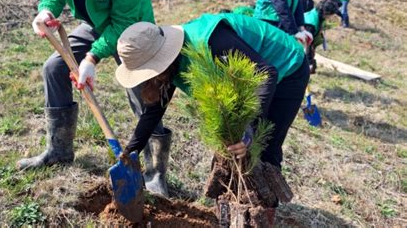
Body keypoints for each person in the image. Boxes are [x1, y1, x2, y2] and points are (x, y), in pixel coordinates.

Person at [17, 0, 170, 197]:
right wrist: (46, 10)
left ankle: (155, 174)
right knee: (54, 68)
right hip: (94, 22)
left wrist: (91, 58)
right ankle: (58, 150)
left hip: (132, 28)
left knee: (142, 89)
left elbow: (123, 22)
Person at [114, 13, 310, 215]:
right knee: (228, 152)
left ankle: (264, 212)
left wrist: (249, 129)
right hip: (243, 83)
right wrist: (131, 151)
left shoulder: (210, 42)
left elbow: (265, 74)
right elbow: (154, 111)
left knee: (264, 145)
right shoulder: (170, 65)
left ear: (160, 57)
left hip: (285, 67)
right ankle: (229, 212)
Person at [303, 0, 342, 73]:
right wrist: (309, 62)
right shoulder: (311, 23)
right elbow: (306, 45)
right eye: (332, 14)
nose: (332, 17)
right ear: (326, 13)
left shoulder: (317, 14)